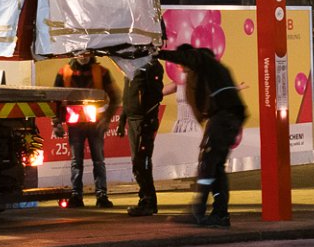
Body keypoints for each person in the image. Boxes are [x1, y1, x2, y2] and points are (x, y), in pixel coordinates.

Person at [156, 41, 247, 227]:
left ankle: (199, 211)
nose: (180, 68)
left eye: (181, 63)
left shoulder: (203, 62)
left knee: (207, 164)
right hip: (228, 118)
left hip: (222, 117)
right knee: (216, 167)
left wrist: (158, 53)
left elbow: (190, 58)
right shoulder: (214, 70)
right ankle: (220, 214)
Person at [53, 48, 119, 208]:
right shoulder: (64, 72)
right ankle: (76, 196)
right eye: (79, 52)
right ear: (74, 54)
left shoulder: (102, 72)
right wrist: (56, 123)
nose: (83, 56)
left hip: (95, 125)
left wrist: (106, 120)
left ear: (92, 53)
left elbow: (115, 96)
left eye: (86, 52)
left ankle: (101, 196)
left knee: (98, 161)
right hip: (75, 124)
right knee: (77, 161)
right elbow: (55, 100)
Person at [113, 54, 169, 216]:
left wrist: (146, 119)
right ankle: (144, 198)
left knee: (141, 161)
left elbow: (155, 96)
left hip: (143, 121)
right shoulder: (132, 66)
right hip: (133, 120)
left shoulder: (151, 67)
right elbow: (128, 97)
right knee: (137, 162)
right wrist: (122, 122)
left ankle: (149, 201)